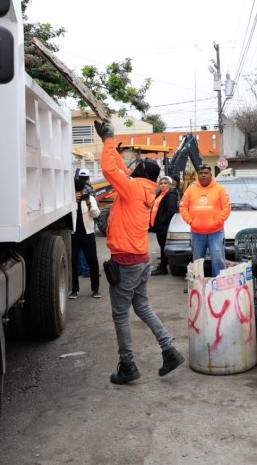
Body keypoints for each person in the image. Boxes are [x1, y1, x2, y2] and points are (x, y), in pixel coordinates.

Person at [95, 120, 185, 385]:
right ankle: (169, 350)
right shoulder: (144, 189)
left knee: (121, 314)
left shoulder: (132, 188)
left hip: (126, 261)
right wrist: (111, 147)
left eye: (135, 166)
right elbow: (121, 170)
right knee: (142, 306)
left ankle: (127, 365)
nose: (131, 168)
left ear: (140, 172)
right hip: (140, 259)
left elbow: (110, 170)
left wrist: (108, 140)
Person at [179, 164, 231, 277]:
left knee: (218, 260)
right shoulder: (190, 189)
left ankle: (218, 282)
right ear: (197, 175)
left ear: (211, 175)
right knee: (197, 261)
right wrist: (190, 221)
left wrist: (217, 222)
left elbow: (226, 208)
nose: (203, 175)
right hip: (197, 233)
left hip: (216, 233)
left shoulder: (220, 189)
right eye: (201, 173)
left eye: (206, 173)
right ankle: (198, 283)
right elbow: (183, 207)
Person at [70, 178, 101, 299]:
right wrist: (73, 202)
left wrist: (88, 203)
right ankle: (74, 290)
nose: (80, 193)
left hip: (88, 234)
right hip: (73, 235)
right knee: (73, 262)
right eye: (77, 191)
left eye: (81, 190)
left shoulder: (90, 198)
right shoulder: (69, 200)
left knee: (92, 261)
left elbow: (96, 214)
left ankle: (95, 289)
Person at [150, 176, 179, 276]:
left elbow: (170, 211)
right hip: (159, 226)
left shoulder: (170, 195)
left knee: (163, 246)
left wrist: (162, 221)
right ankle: (163, 264)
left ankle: (163, 268)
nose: (163, 185)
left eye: (165, 183)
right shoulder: (160, 194)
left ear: (169, 185)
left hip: (164, 226)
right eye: (161, 183)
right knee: (162, 246)